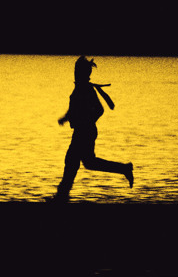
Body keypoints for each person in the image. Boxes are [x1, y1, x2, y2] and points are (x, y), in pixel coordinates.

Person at [51, 56, 133, 202]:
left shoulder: (85, 89)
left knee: (73, 161)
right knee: (85, 162)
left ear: (83, 73)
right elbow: (76, 110)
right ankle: (62, 196)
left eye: (77, 70)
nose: (75, 73)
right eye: (75, 70)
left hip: (84, 132)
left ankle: (61, 197)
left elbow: (99, 110)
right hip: (83, 131)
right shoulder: (81, 88)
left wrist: (86, 122)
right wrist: (68, 118)